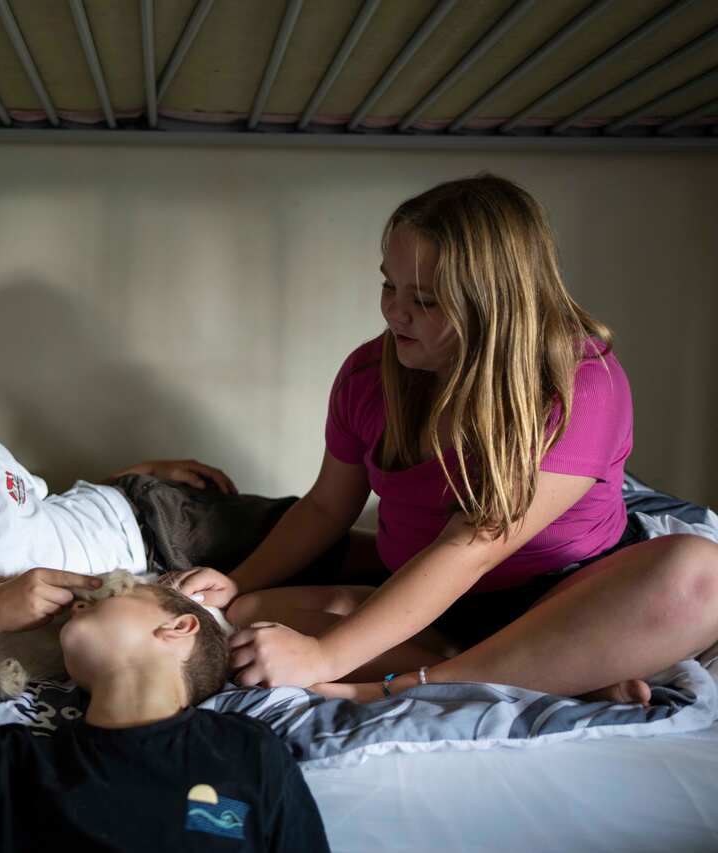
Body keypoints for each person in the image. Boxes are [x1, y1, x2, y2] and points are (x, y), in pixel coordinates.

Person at [175, 174, 718, 704]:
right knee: (247, 615)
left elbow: (472, 548)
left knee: (703, 575)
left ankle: (426, 682)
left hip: (565, 594)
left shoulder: (580, 380)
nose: (395, 311)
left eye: (427, 301)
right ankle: (550, 672)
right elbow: (324, 508)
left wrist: (326, 659)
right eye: (389, 285)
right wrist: (236, 581)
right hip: (433, 606)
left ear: (494, 306)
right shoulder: (369, 374)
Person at [0, 303, 303, 680]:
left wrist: (142, 472)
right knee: (300, 602)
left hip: (148, 512)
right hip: (155, 585)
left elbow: (39, 507)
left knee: (331, 541)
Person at [0, 582, 330, 852]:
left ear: (178, 627)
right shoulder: (20, 762)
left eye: (118, 591)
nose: (83, 600)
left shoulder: (247, 747)